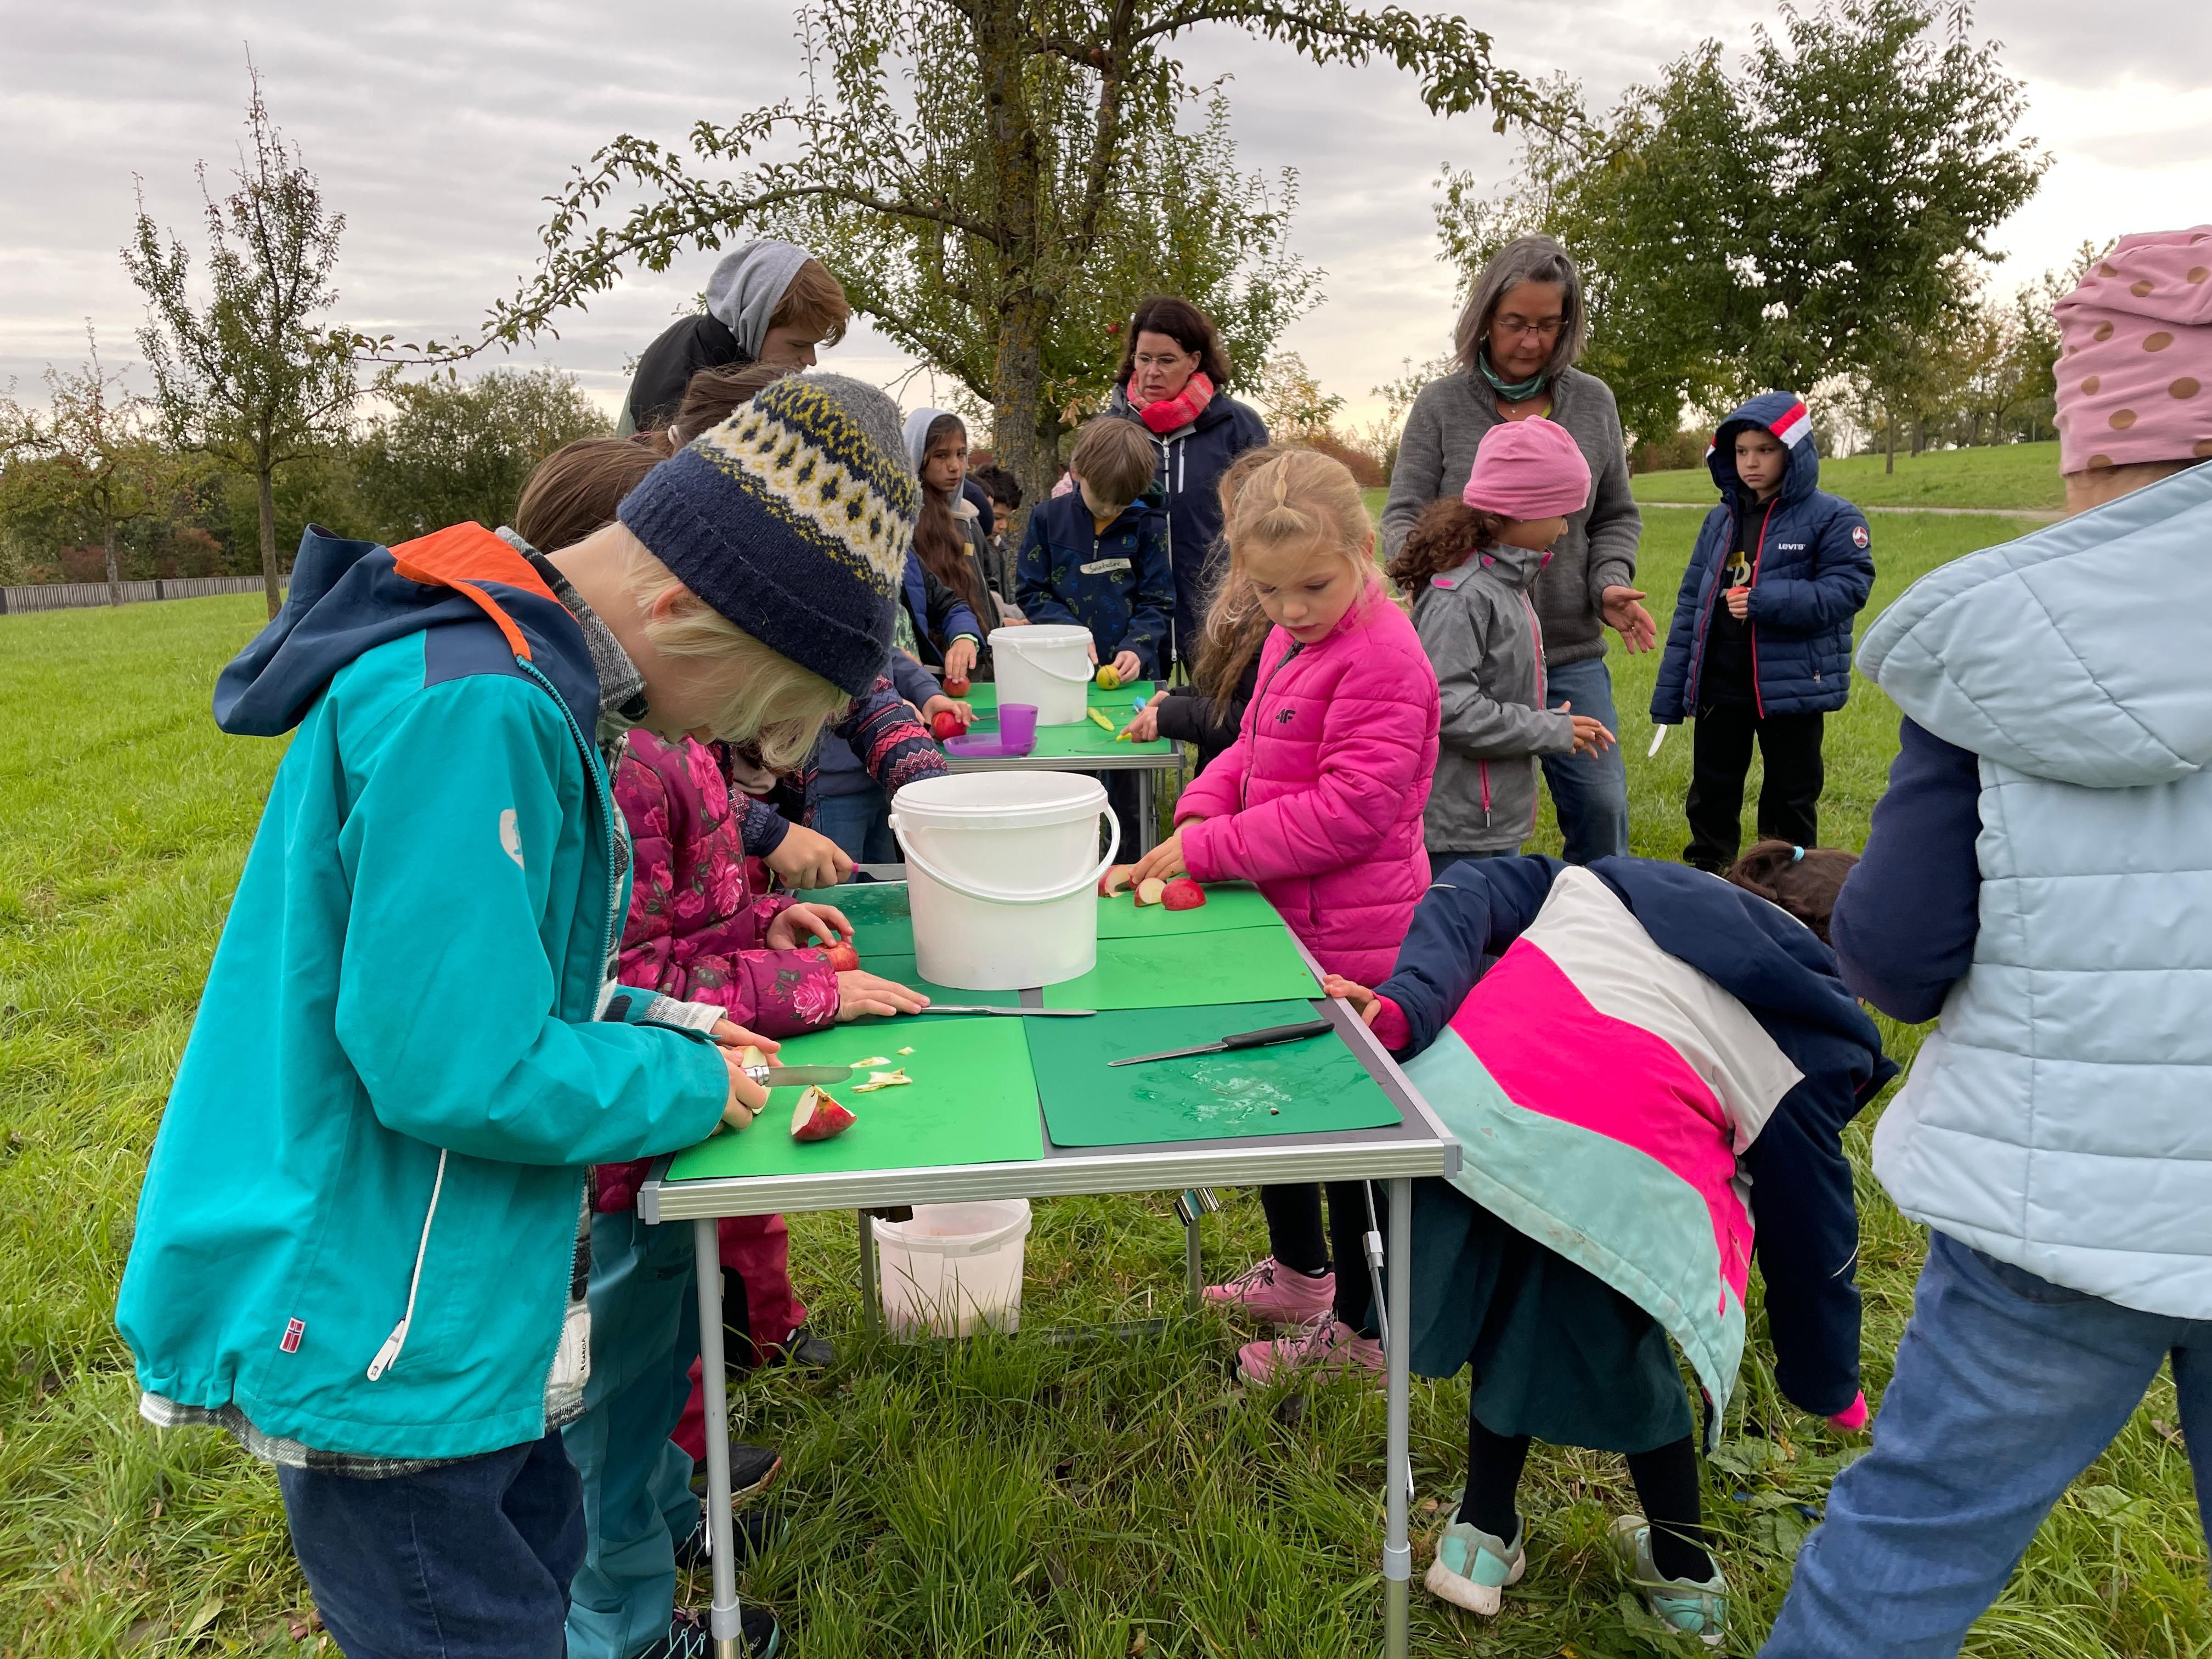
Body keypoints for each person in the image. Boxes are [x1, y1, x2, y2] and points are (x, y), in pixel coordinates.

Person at [115, 370, 921, 1659]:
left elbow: (512, 984)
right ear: (678, 610)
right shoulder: (476, 709)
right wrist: (683, 1087)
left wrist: (670, 1025)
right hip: (386, 1334)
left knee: (533, 1582)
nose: (749, 758)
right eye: (754, 715)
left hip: (463, 1309)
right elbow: (452, 1062)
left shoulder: (526, 690)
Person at [1759, 227, 2212, 1659]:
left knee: (1910, 1538)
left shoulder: (2005, 645)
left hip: (2053, 1204)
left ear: (2092, 431)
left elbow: (1894, 957)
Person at [1321, 843, 1893, 1646]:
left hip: (1467, 1125)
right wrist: (1826, 1377)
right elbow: (1814, 1234)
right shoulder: (1811, 1041)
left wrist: (1414, 1000)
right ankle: (1683, 1573)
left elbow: (1474, 879)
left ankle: (1481, 1538)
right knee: (1631, 1369)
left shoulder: (1614, 879)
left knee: (1512, 1327)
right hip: (1612, 1181)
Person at [1126, 449, 1440, 1376]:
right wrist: (1197, 810)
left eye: (1312, 585)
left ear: (1361, 549)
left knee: (1350, 1137)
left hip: (1358, 937)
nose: (1293, 608)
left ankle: (1367, 1330)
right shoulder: (1289, 641)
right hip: (1285, 922)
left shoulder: (1384, 658)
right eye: (1269, 592)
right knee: (1280, 1106)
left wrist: (1213, 847)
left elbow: (1350, 812)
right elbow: (1252, 747)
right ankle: (1303, 1274)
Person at [1380, 234, 1652, 864]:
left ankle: (1600, 927)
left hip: (1567, 649)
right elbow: (1402, 516)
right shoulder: (1442, 405)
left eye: (1548, 326)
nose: (1531, 341)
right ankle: (1469, 917)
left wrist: (1608, 582)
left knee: (1602, 803)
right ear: (1484, 319)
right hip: (1475, 658)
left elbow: (1614, 514)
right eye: (1515, 323)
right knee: (1475, 813)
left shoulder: (1594, 402)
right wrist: (1445, 576)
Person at [1650, 393, 1875, 872]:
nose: (1751, 462)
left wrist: (1764, 600)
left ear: (1794, 451)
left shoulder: (1835, 517)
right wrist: (1673, 690)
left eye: (1765, 450)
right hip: (1721, 686)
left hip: (1791, 691)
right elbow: (1692, 603)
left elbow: (1847, 590)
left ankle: (1787, 892)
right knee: (1711, 791)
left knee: (1790, 799)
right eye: (1741, 452)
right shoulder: (1721, 520)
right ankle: (1708, 879)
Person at [1391, 418, 1617, 867]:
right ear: (1512, 513)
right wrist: (1549, 729)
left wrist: (1547, 721)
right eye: (1559, 514)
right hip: (1459, 832)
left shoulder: (1506, 582)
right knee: (1461, 935)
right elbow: (1449, 708)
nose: (1567, 529)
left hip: (1489, 821)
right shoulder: (1465, 595)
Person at [1018, 416, 1175, 851]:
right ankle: (1069, 862)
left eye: (1122, 504)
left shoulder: (1148, 525)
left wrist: (1137, 648)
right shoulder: (1047, 520)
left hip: (1132, 686)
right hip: (1064, 681)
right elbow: (1030, 591)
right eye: (1103, 500)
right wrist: (1069, 633)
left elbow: (1159, 600)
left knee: (1131, 794)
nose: (1110, 511)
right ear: (1077, 471)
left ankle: (1130, 867)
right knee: (1069, 786)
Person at [1105, 296, 1271, 667]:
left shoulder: (1239, 427)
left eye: (1167, 360)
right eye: (1144, 359)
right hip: (1131, 623)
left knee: (1215, 720)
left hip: (1220, 613)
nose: (1152, 372)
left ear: (1194, 361)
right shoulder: (1109, 430)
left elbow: (1264, 521)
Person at [1125, 445, 1285, 774]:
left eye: (1231, 521)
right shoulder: (1253, 603)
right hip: (1230, 780)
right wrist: (1176, 699)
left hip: (1252, 786)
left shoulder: (1280, 615)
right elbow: (1232, 689)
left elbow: (1249, 718)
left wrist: (1169, 715)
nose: (1226, 536)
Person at [619, 240, 848, 434]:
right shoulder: (706, 402)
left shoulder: (688, 332)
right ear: (753, 323)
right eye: (798, 344)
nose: (810, 359)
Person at [905, 408, 1009, 628]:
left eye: (961, 454)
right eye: (941, 456)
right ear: (916, 455)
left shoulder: (968, 519)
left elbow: (986, 584)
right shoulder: (904, 523)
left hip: (977, 648)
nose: (955, 466)